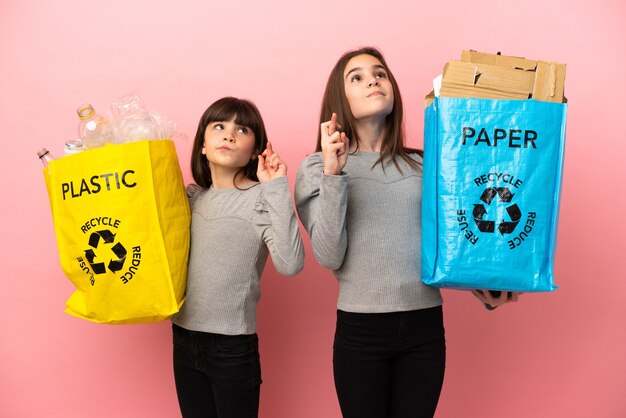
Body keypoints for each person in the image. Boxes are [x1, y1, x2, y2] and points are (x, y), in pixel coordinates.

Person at [295, 47, 519, 418]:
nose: (373, 80)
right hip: (361, 331)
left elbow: (455, 238)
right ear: (339, 97)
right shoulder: (317, 168)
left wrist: (489, 287)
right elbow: (329, 255)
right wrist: (334, 175)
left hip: (425, 327)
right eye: (357, 77)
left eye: (380, 73)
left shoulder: (426, 162)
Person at [172, 97, 304, 418]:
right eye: (219, 126)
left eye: (241, 129)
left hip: (231, 348)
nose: (229, 135)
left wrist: (276, 188)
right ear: (203, 144)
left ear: (254, 149)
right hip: (183, 338)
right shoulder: (190, 198)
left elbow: (291, 264)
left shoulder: (261, 197)